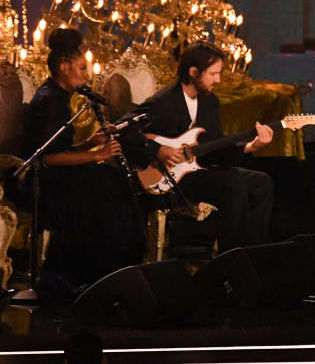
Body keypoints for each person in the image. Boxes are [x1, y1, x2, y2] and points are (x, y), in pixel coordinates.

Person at [22, 29, 146, 300]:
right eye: (81, 68)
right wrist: (98, 154)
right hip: (43, 180)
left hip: (58, 172)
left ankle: (113, 271)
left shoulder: (59, 97)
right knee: (102, 189)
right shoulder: (49, 100)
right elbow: (46, 157)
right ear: (63, 67)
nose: (87, 76)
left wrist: (89, 143)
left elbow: (60, 149)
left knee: (113, 183)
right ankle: (88, 274)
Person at [122, 41, 275, 252]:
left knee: (261, 182)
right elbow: (122, 130)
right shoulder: (163, 101)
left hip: (197, 168)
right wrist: (158, 150)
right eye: (213, 74)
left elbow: (214, 150)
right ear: (194, 72)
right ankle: (231, 257)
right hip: (169, 178)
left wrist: (250, 147)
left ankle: (252, 252)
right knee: (235, 182)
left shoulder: (210, 102)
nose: (218, 79)